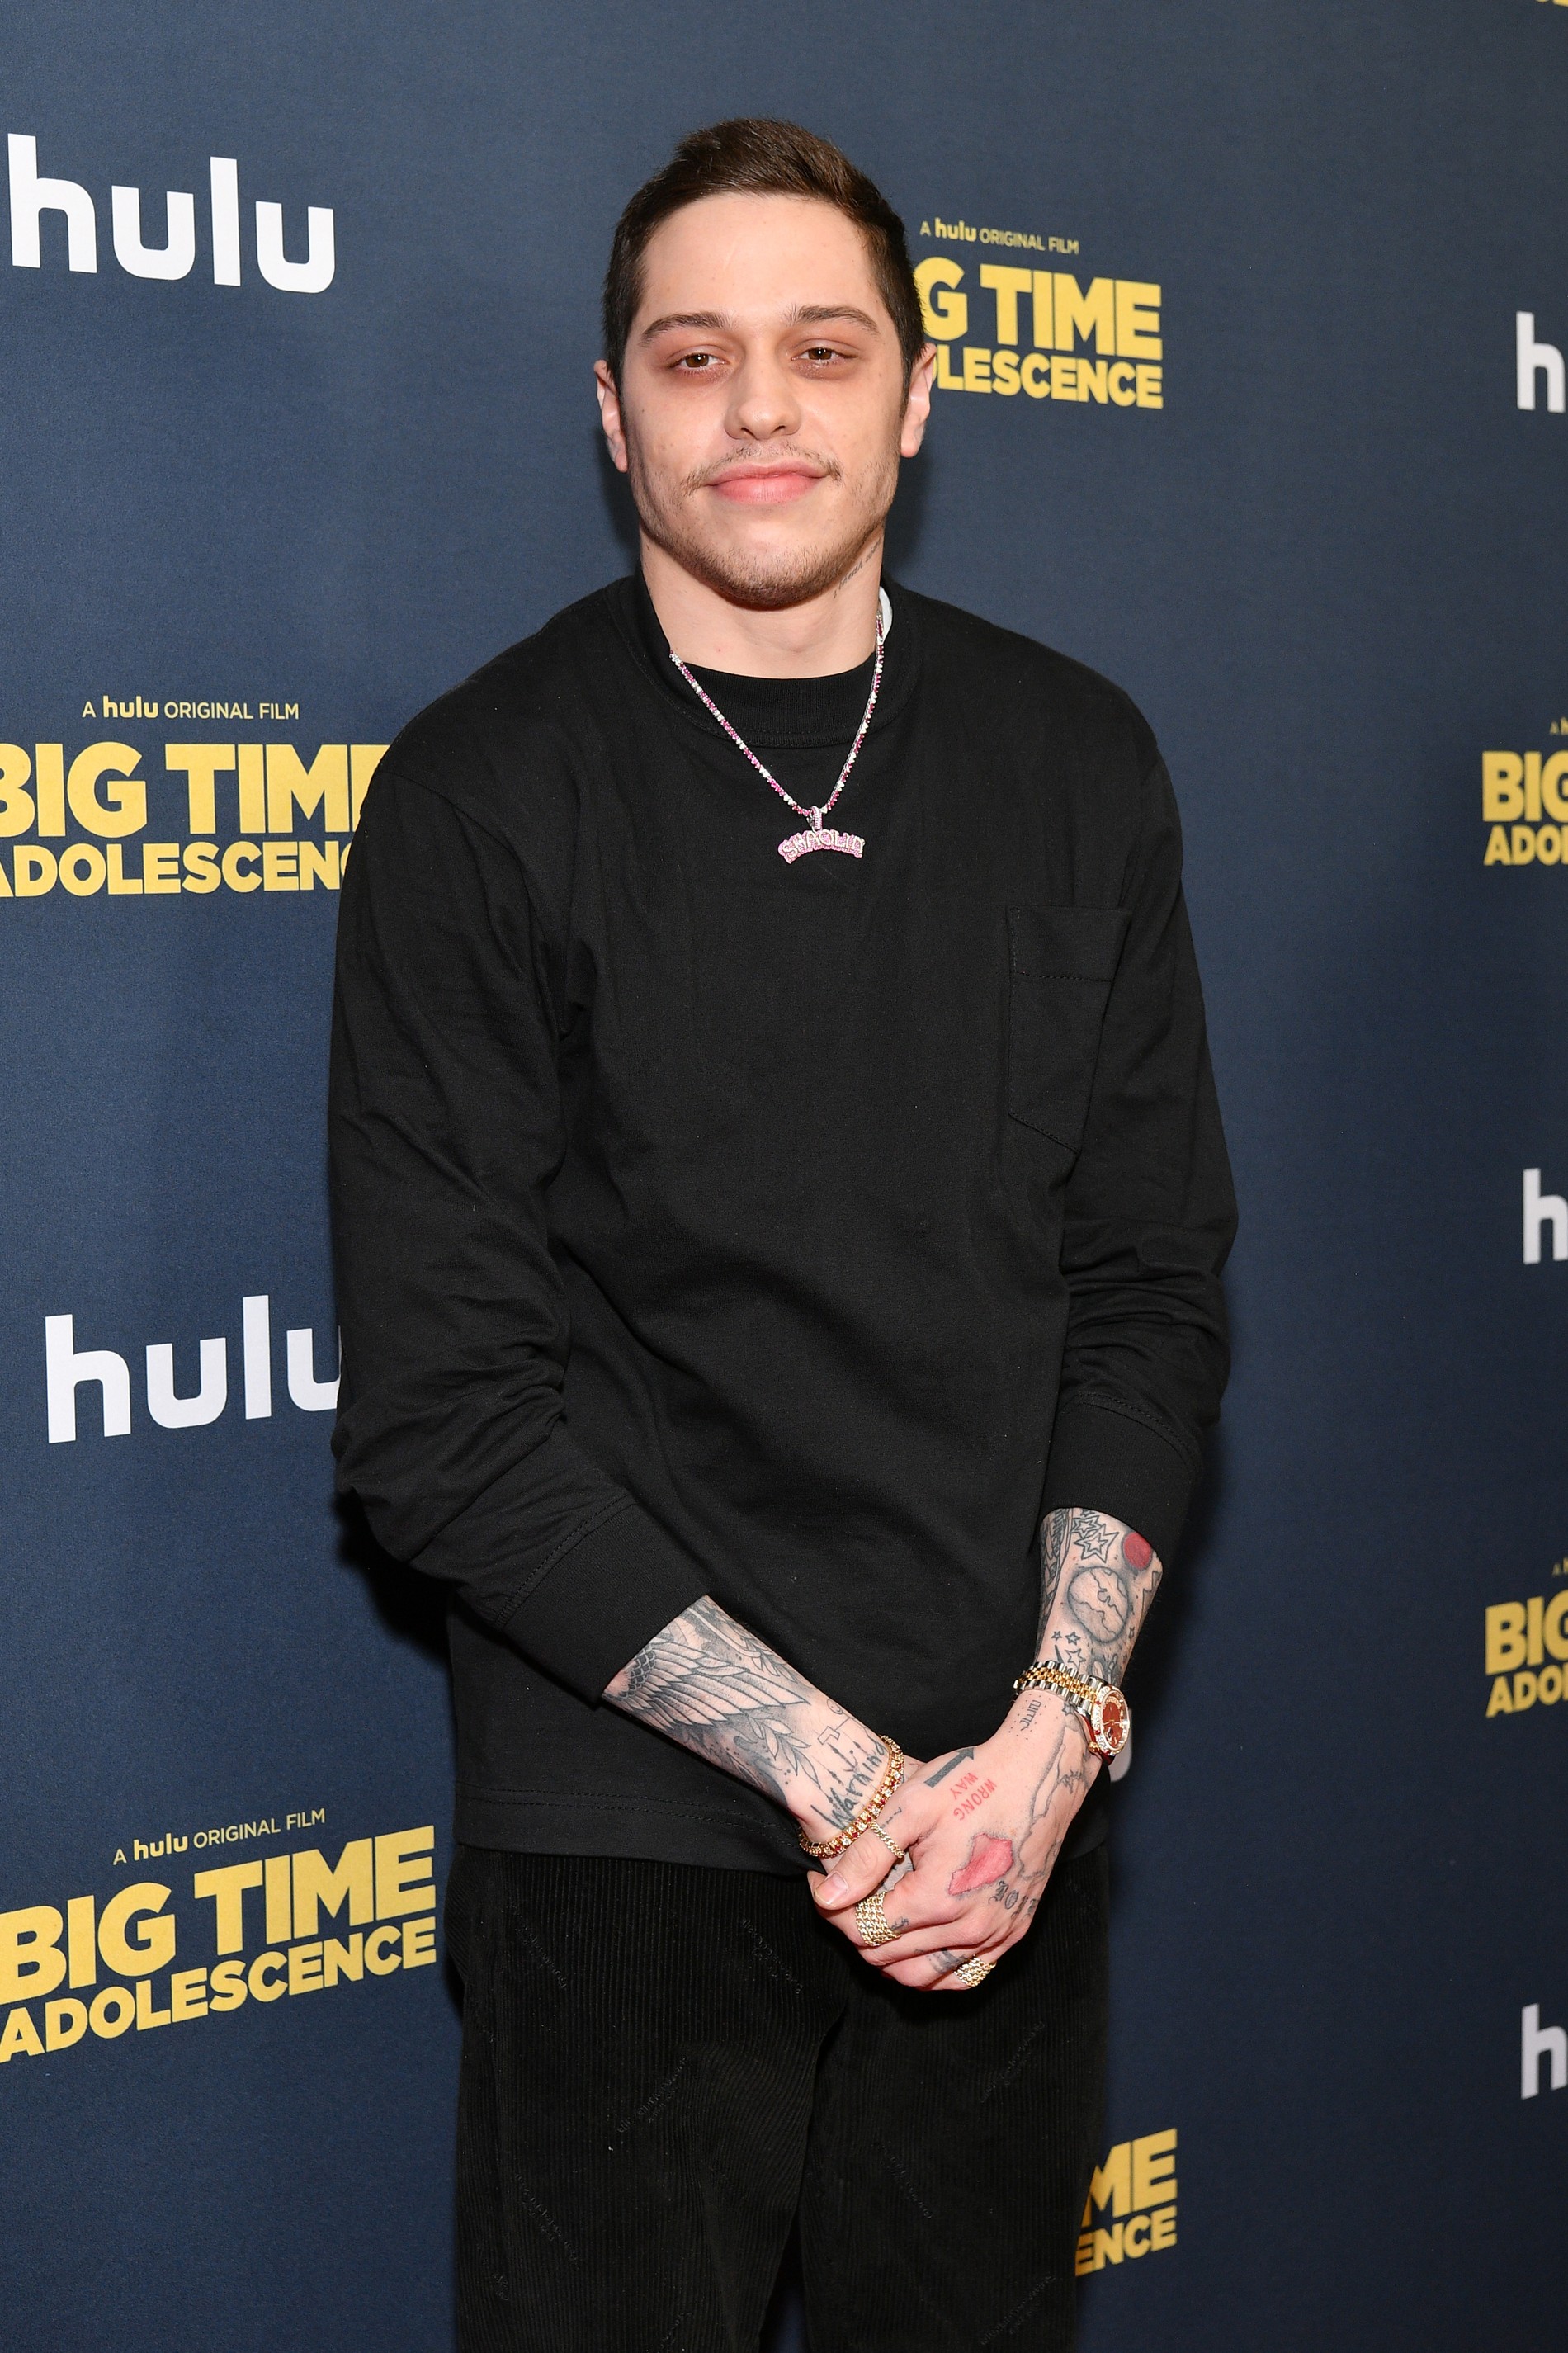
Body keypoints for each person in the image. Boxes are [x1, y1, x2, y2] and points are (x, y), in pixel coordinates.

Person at [328, 116, 1235, 2353]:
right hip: (624, 1851)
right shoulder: (480, 792)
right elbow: (444, 1425)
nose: (760, 405)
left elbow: (1145, 1285)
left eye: (824, 350)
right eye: (693, 353)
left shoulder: (1076, 759)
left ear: (914, 399)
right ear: (611, 410)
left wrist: (1040, 1745)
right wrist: (854, 1787)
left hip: (1002, 1836)